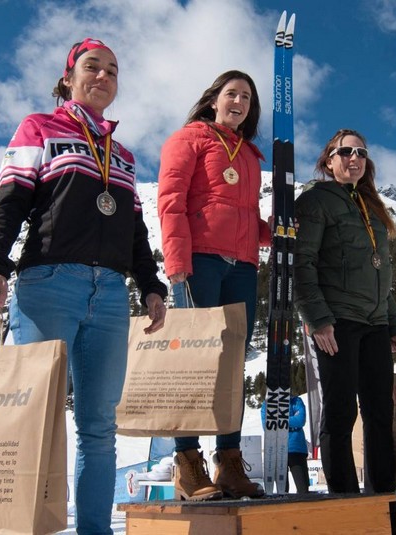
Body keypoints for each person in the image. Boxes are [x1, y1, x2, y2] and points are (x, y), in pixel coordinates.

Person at [0, 38, 167, 535]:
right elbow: (11, 200)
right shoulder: (41, 127)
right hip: (48, 283)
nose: (102, 77)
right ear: (68, 78)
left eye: (112, 71)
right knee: (37, 420)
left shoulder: (123, 156)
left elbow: (135, 232)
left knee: (99, 429)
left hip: (110, 295)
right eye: (92, 67)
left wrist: (150, 284)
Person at [158, 70, 270, 501]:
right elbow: (171, 202)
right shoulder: (190, 138)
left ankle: (229, 463)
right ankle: (187, 463)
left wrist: (269, 230)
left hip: (242, 268)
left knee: (232, 368)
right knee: (192, 362)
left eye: (246, 96)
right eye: (232, 93)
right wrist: (178, 266)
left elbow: (241, 215)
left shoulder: (249, 155)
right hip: (199, 262)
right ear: (213, 100)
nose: (239, 101)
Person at [293, 129, 396, 495]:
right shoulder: (315, 201)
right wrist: (317, 318)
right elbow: (302, 262)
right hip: (337, 321)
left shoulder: (372, 206)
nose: (354, 157)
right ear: (329, 160)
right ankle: (345, 504)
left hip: (375, 324)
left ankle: (385, 507)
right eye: (345, 152)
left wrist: (394, 322)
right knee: (341, 413)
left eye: (361, 151)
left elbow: (380, 272)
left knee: (379, 415)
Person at [260, 396, 311, 494]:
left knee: (303, 489)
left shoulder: (296, 401)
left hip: (296, 449)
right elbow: (267, 426)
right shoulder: (266, 404)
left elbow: (300, 420)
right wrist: (291, 420)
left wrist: (277, 420)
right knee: (282, 492)